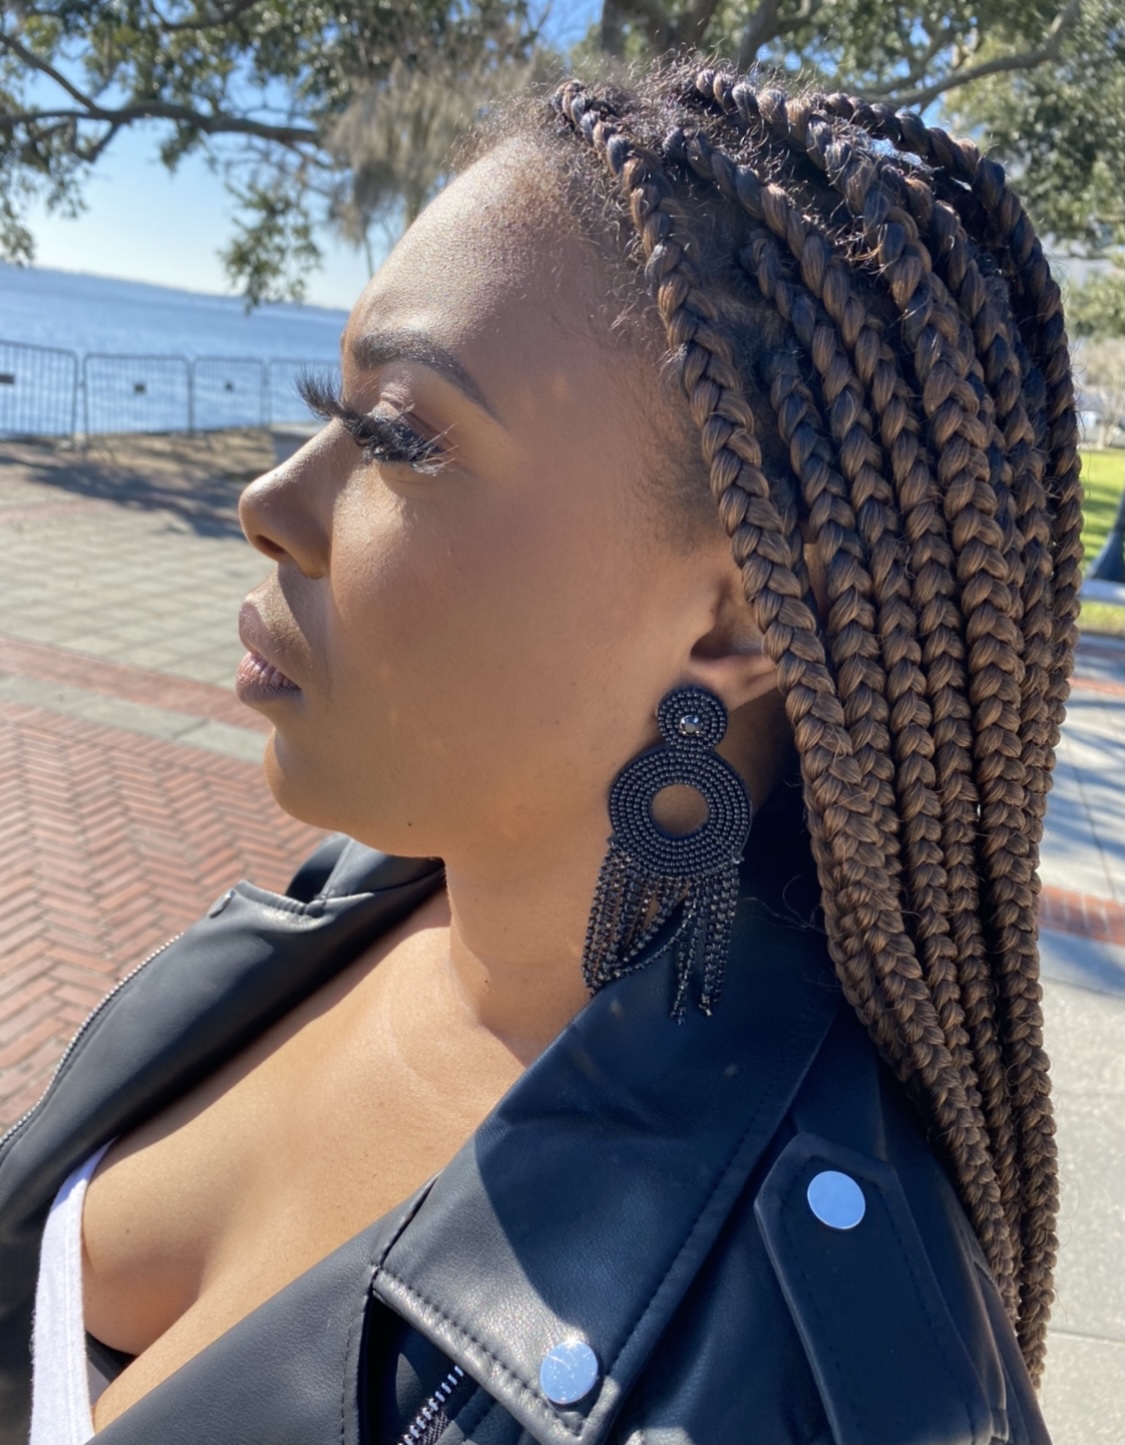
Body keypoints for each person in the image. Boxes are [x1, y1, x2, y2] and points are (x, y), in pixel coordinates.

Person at [0, 57, 1076, 1445]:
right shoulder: (374, 892)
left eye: (397, 434)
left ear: (738, 616)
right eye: (330, 403)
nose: (271, 500)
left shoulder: (795, 1393)